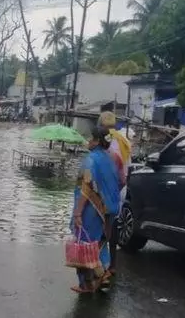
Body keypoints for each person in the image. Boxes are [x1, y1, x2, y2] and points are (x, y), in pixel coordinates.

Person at [69, 125, 121, 294]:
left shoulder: (91, 159)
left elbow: (87, 186)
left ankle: (92, 280)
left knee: (85, 245)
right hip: (110, 209)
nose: (88, 141)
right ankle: (99, 278)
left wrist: (78, 211)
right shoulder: (111, 159)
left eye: (91, 138)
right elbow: (120, 182)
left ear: (98, 141)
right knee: (99, 244)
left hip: (92, 209)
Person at [99, 112, 132, 277]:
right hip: (121, 188)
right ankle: (112, 264)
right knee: (114, 224)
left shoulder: (108, 140)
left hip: (111, 188)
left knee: (105, 226)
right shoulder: (124, 140)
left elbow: (109, 165)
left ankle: (104, 265)